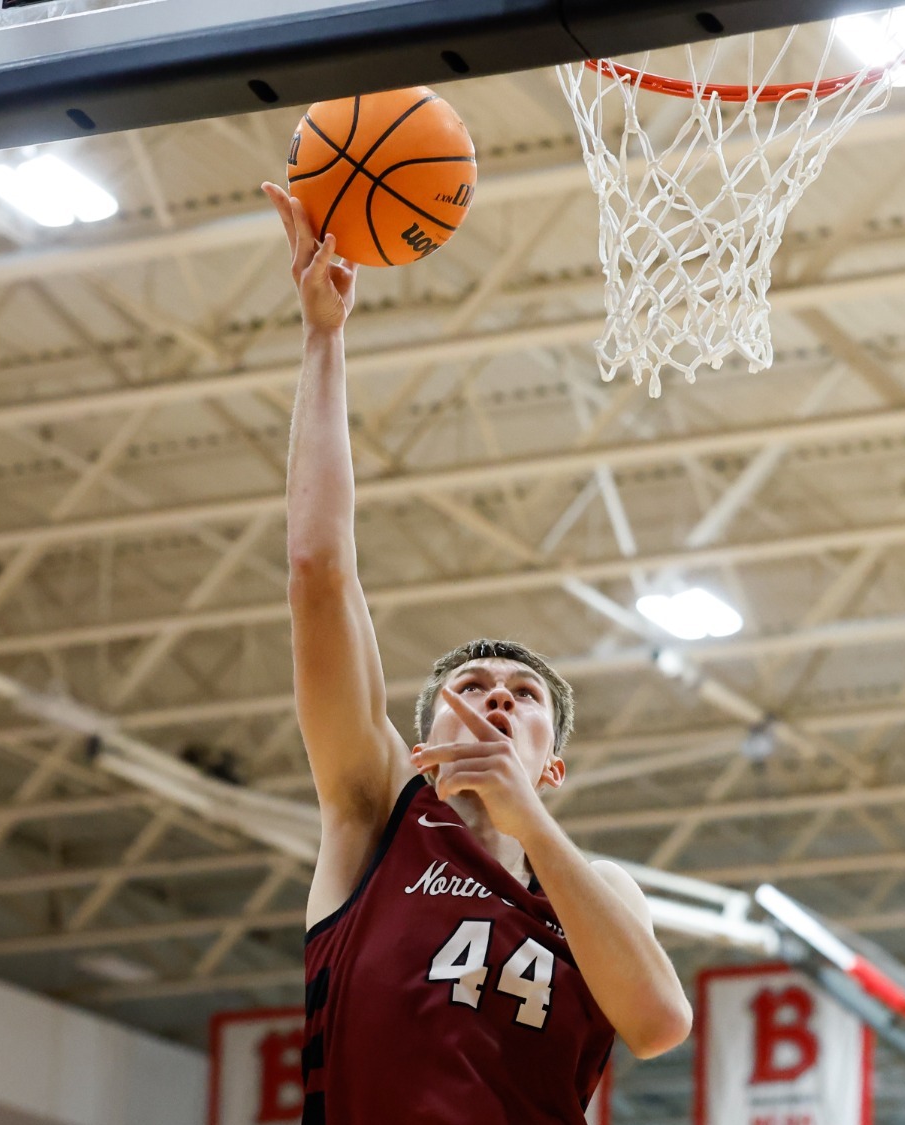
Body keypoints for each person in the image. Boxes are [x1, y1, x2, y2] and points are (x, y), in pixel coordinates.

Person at [261, 182, 691, 1125]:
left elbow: (660, 1021)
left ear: (555, 760)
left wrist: (530, 821)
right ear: (422, 746)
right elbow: (317, 570)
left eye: (523, 693)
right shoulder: (375, 815)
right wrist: (323, 339)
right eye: (470, 686)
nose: (496, 697)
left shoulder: (592, 887)